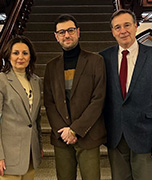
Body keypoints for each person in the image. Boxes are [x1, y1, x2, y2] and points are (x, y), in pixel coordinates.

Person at [99, 9, 152, 180]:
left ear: (136, 26)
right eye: (117, 27)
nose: (122, 31)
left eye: (127, 25)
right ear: (112, 31)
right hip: (116, 136)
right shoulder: (104, 58)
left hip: (147, 136)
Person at [44, 14, 106, 180]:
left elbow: (98, 100)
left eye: (71, 30)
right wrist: (65, 132)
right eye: (62, 32)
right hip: (61, 137)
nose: (67, 35)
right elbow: (49, 103)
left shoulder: (96, 61)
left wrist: (75, 129)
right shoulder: (51, 67)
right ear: (56, 37)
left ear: (78, 32)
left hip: (88, 135)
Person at [0, 35, 42, 180]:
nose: (20, 57)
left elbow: (36, 119)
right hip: (7, 156)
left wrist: (39, 145)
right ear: (8, 55)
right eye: (15, 53)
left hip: (30, 153)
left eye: (25, 53)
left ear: (31, 57)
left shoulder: (36, 81)